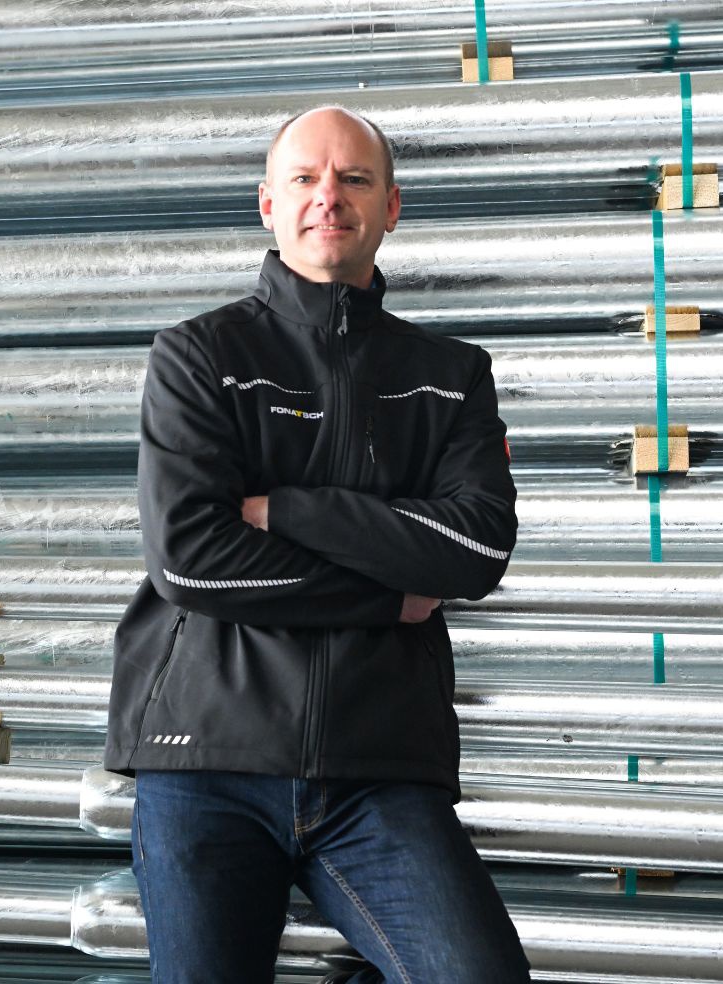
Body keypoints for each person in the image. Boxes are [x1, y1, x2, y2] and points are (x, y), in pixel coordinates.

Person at [104, 105, 530, 984]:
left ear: (391, 206)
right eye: (304, 178)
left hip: (380, 769)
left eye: (354, 179)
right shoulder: (199, 356)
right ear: (268, 203)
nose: (327, 197)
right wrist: (391, 590)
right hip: (206, 760)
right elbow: (189, 559)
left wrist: (285, 510)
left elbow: (475, 551)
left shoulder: (451, 376)